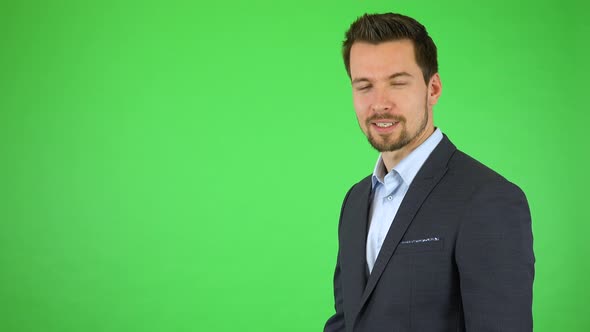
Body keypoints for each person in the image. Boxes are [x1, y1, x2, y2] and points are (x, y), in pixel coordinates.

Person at [323, 13, 534, 332]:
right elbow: (346, 321)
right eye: (364, 86)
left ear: (432, 88)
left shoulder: (489, 199)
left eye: (397, 82)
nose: (380, 103)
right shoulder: (354, 201)